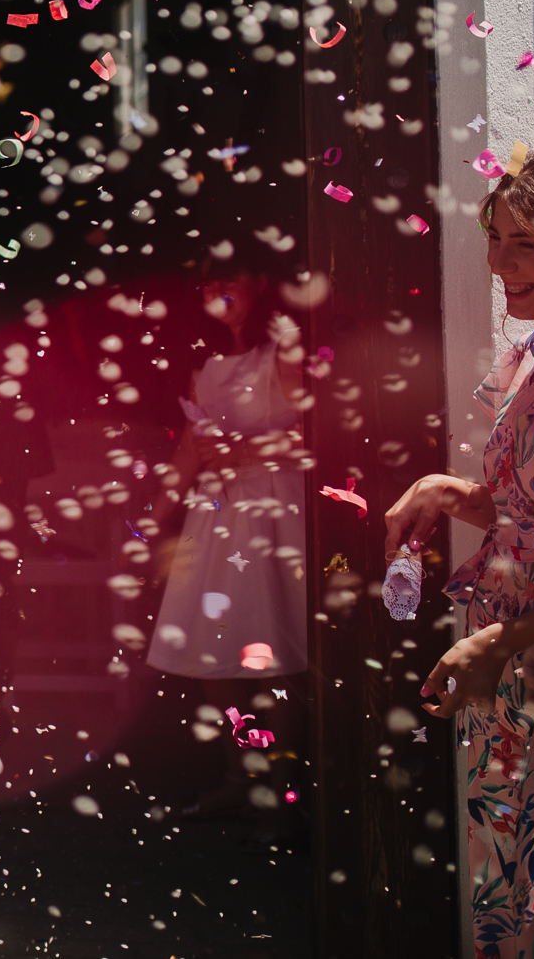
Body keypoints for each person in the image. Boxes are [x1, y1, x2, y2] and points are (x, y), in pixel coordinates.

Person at [385, 145, 534, 958]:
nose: (500, 263)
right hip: (507, 677)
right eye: (495, 236)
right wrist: (454, 493)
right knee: (506, 893)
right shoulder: (528, 354)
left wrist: (505, 640)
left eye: (525, 241)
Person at [144, 245, 308, 829]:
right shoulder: (208, 365)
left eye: (231, 275)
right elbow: (188, 450)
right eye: (209, 279)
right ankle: (240, 778)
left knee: (270, 648)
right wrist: (152, 518)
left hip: (271, 506)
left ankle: (284, 789)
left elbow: (315, 433)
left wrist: (243, 450)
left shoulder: (281, 351)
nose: (219, 287)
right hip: (216, 511)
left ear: (259, 281)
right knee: (214, 647)